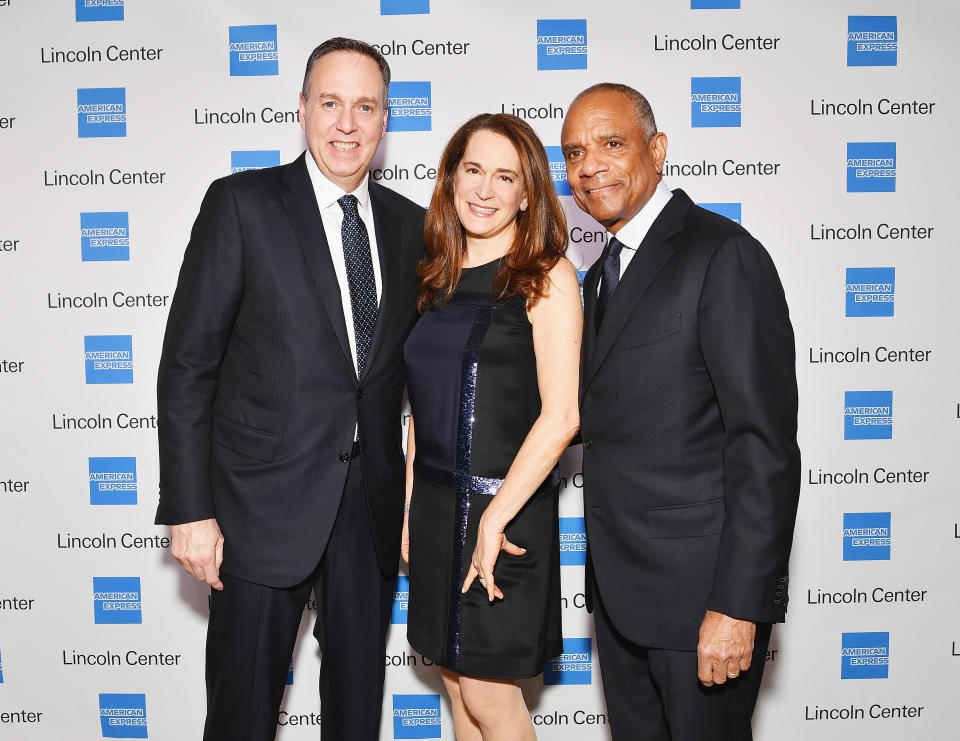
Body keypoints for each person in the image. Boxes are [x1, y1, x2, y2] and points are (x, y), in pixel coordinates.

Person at [155, 38, 424, 741]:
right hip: (256, 512)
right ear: (302, 109)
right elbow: (188, 366)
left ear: (385, 119)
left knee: (357, 716)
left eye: (365, 107)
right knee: (242, 716)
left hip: (367, 515)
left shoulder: (412, 226)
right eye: (330, 103)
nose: (346, 123)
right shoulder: (241, 205)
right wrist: (190, 508)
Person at [562, 83, 800, 740]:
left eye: (611, 143)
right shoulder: (596, 277)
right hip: (620, 601)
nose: (590, 166)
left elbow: (763, 444)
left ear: (657, 150)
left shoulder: (720, 253)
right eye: (575, 152)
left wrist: (737, 605)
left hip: (702, 601)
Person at [401, 113, 582, 741]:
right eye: (473, 170)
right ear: (451, 180)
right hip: (435, 509)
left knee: (488, 693)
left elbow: (562, 417)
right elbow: (423, 411)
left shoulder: (546, 275)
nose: (484, 189)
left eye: (504, 177)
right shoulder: (435, 278)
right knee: (456, 686)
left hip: (504, 516)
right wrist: (407, 510)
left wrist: (495, 517)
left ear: (527, 192)